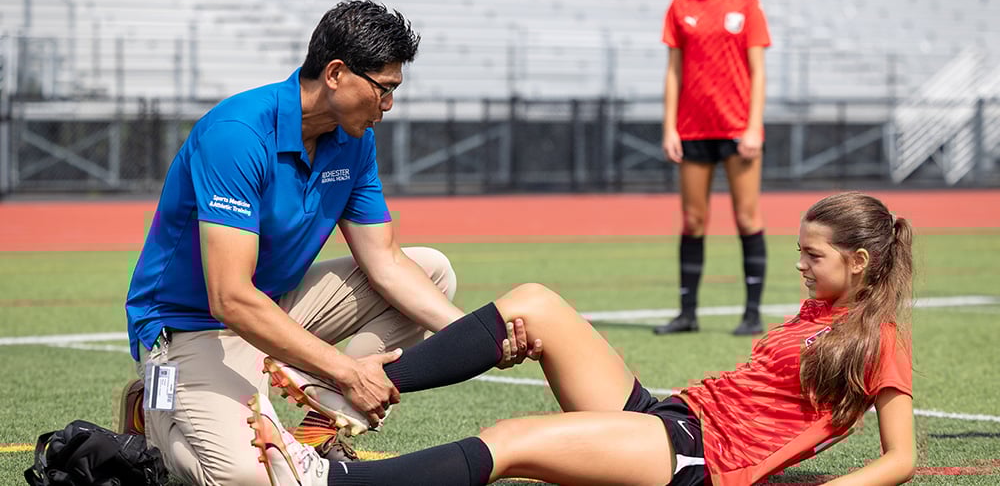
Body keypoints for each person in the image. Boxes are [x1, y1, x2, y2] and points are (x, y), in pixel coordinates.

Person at [119, 0, 532, 485]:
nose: (389, 106)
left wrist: (480, 338)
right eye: (384, 89)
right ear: (336, 73)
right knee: (249, 480)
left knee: (432, 270)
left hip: (271, 307)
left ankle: (317, 430)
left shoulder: (353, 139)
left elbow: (386, 263)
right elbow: (228, 297)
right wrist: (345, 370)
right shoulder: (237, 134)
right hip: (190, 328)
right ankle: (155, 409)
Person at [248, 191, 917, 486]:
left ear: (857, 261)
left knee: (510, 439)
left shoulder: (878, 336)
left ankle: (326, 480)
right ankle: (359, 385)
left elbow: (900, 458)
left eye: (812, 255)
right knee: (535, 303)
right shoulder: (814, 312)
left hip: (699, 463)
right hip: (673, 419)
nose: (799, 264)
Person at [656, 0, 772, 336]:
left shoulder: (748, 6)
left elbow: (758, 72)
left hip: (738, 130)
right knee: (692, 220)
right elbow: (673, 72)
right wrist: (670, 126)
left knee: (746, 217)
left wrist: (754, 126)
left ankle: (752, 313)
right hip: (692, 131)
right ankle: (687, 313)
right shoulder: (681, 4)